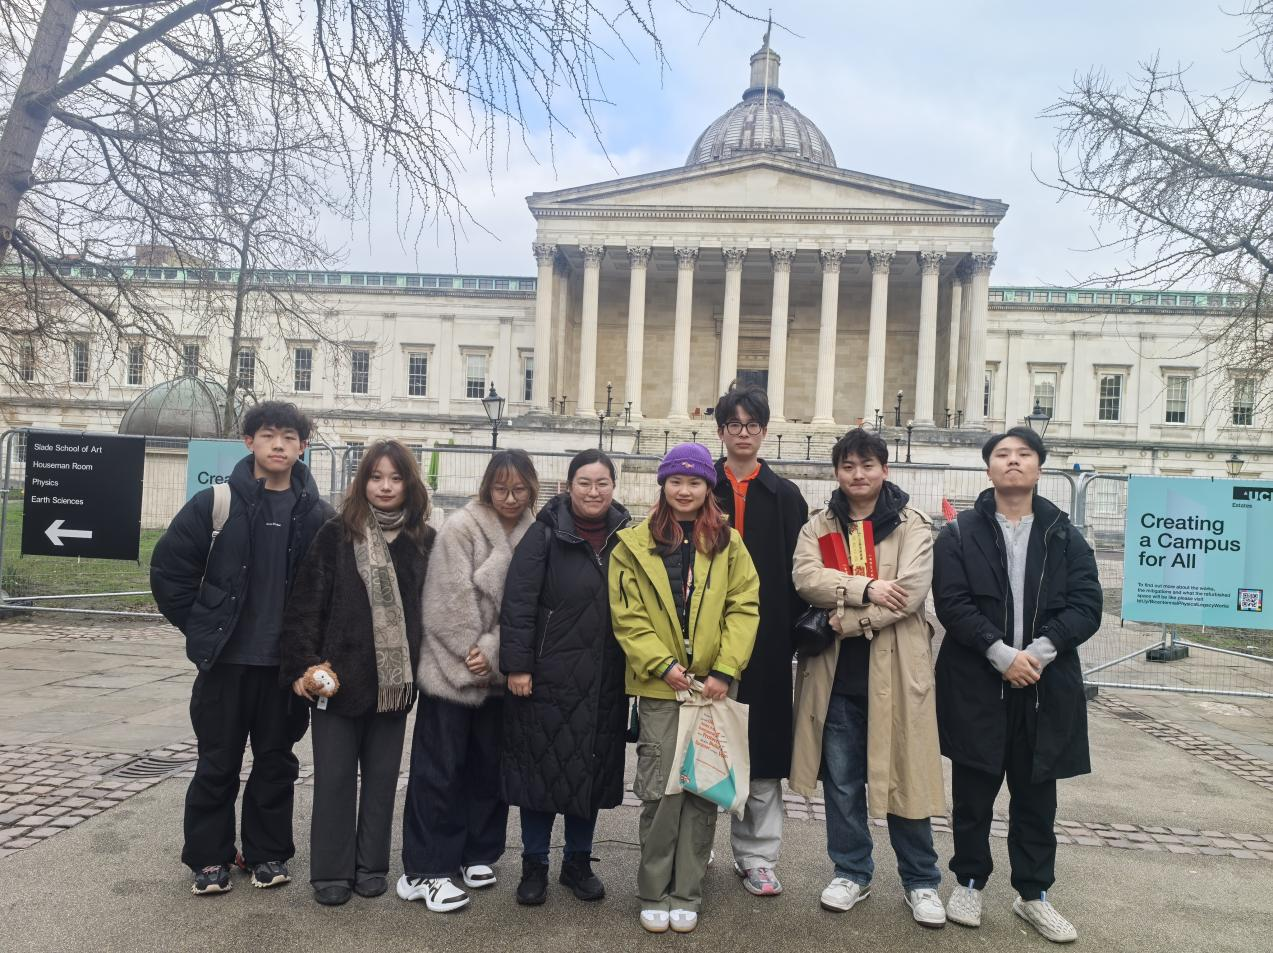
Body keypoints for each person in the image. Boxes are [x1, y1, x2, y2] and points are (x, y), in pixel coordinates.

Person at [150, 401, 334, 896]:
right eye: (269, 435)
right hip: (225, 666)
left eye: (290, 437)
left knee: (276, 764)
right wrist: (202, 627)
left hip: (284, 671)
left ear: (303, 446)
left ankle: (266, 854)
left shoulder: (319, 516)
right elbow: (170, 571)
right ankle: (209, 858)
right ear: (249, 441)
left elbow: (333, 590)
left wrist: (315, 652)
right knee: (217, 764)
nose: (279, 445)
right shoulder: (216, 504)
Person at [934, 427, 1102, 944]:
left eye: (1023, 454)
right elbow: (952, 602)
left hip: (1043, 687)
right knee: (973, 794)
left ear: (1038, 468)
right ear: (988, 469)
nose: (1013, 461)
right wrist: (1001, 654)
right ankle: (968, 882)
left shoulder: (1065, 535)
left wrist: (1037, 654)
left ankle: (1033, 895)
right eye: (1002, 454)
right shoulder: (959, 533)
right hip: (978, 684)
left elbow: (1086, 605)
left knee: (1036, 800)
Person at [790, 427, 947, 929]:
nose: (858, 474)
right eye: (848, 466)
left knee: (904, 776)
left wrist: (850, 619)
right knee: (841, 782)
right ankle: (851, 871)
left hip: (896, 670)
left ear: (884, 469)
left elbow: (911, 593)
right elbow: (807, 579)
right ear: (837, 472)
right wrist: (867, 588)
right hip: (836, 676)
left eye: (867, 465)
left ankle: (921, 879)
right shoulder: (819, 525)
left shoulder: (912, 524)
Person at [610, 442, 760, 935]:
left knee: (701, 790)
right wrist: (663, 664)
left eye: (695, 482)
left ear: (707, 488)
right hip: (661, 687)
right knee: (661, 792)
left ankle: (688, 891)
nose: (685, 490)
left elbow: (743, 607)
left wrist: (725, 669)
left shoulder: (729, 543)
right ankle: (654, 890)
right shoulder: (633, 544)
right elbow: (627, 616)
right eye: (676, 481)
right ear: (663, 485)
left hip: (711, 688)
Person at [279, 439, 435, 906]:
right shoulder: (336, 533)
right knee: (334, 780)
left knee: (383, 781)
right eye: (376, 477)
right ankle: (331, 871)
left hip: (393, 687)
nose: (385, 486)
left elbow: (434, 612)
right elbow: (305, 606)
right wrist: (304, 665)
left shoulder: (424, 541)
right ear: (362, 481)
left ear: (409, 484)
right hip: (338, 682)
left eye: (395, 478)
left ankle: (371, 866)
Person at [397, 450, 539, 913]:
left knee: (489, 769)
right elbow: (445, 598)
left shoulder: (536, 533)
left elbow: (534, 604)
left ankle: (479, 851)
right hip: (451, 670)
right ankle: (427, 865)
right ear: (487, 488)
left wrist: (495, 653)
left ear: (532, 489)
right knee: (438, 771)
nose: (510, 498)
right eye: (501, 488)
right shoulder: (461, 527)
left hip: (500, 670)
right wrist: (471, 652)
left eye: (519, 489)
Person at [499, 449, 632, 906]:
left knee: (588, 773)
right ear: (568, 486)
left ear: (613, 487)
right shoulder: (544, 534)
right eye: (584, 483)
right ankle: (534, 863)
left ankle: (578, 861)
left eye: (602, 483)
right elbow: (519, 601)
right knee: (539, 776)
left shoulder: (626, 538)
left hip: (604, 678)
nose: (593, 492)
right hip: (548, 676)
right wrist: (518, 665)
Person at [710, 385, 808, 897]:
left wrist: (791, 636)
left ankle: (757, 855)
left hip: (767, 641)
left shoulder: (786, 496)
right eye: (735, 424)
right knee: (704, 742)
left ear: (764, 432)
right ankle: (696, 844)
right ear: (721, 431)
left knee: (764, 749)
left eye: (752, 425)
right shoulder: (700, 485)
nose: (743, 433)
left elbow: (799, 574)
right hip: (705, 640)